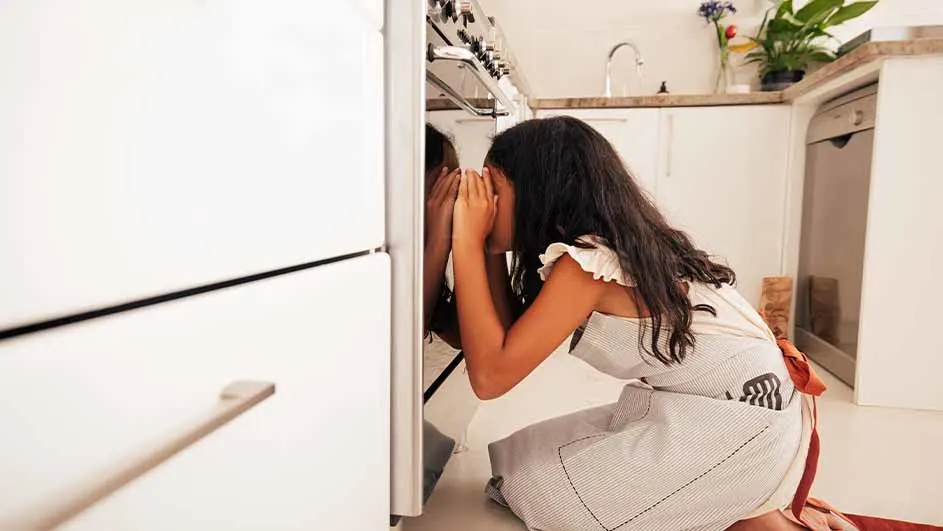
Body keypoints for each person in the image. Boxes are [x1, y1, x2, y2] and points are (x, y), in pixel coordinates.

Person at [450, 116, 808, 530]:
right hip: (735, 408)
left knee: (538, 490)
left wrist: (465, 239)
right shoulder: (607, 249)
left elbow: (491, 376)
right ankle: (740, 506)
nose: (482, 201)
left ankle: (749, 509)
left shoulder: (586, 265)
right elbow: (499, 335)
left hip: (742, 420)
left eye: (492, 188)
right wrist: (487, 246)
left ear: (537, 192)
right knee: (523, 455)